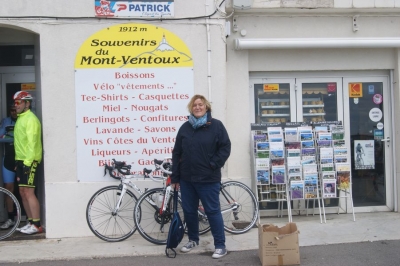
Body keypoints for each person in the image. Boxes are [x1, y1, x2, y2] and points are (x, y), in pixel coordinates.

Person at [171, 95, 231, 259]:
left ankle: (220, 245)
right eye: (194, 105)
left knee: (212, 211)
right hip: (187, 179)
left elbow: (225, 147)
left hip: (208, 178)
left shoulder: (216, 126)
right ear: (191, 108)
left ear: (206, 107)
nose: (197, 107)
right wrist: (175, 178)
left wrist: (213, 164)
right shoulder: (185, 128)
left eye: (200, 104)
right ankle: (193, 240)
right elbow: (177, 153)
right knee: (189, 211)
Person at [13, 91, 43, 235]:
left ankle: (37, 225)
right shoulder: (21, 118)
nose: (15, 105)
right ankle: (30, 221)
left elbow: (32, 143)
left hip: (30, 161)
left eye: (18, 102)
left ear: (27, 103)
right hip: (21, 160)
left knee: (29, 192)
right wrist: (18, 162)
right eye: (15, 102)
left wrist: (27, 162)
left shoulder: (31, 119)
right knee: (22, 192)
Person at [0, 105, 18, 229]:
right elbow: (0, 138)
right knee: (8, 189)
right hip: (8, 159)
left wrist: (8, 135)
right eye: (11, 110)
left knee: (24, 189)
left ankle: (29, 219)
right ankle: (11, 218)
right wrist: (13, 137)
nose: (14, 112)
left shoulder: (24, 120)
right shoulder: (6, 121)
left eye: (15, 109)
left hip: (21, 159)